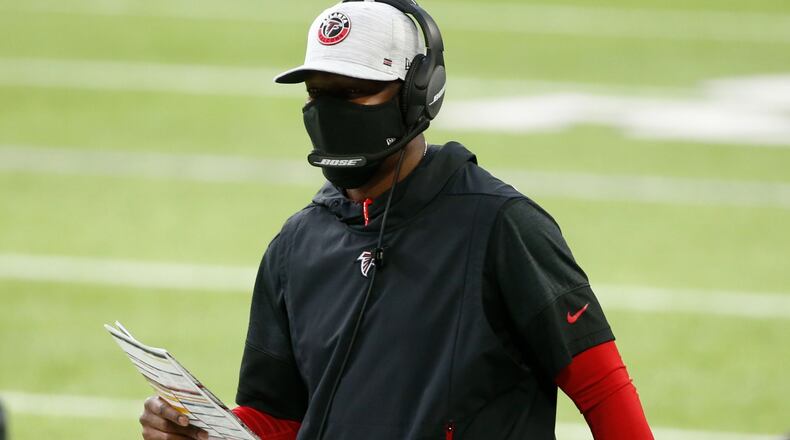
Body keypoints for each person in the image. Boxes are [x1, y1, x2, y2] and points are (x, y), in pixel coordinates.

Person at [139, 1, 654, 439]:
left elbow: (604, 393)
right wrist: (210, 430)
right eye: (318, 94)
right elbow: (281, 419)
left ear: (416, 93)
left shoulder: (501, 227)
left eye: (354, 92)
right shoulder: (295, 246)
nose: (331, 112)